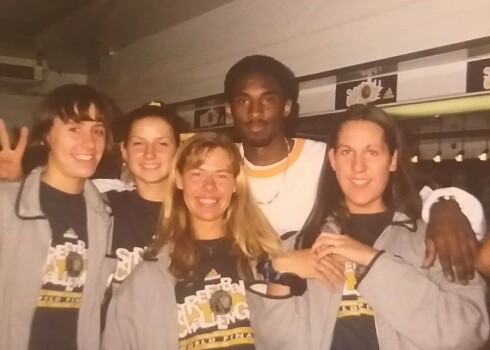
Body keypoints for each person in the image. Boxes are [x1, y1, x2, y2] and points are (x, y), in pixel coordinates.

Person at [224, 54, 485, 285]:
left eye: (267, 99)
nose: (255, 112)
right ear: (229, 109)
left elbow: (412, 191)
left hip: (319, 303)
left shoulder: (324, 158)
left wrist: (446, 209)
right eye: (243, 101)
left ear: (287, 107)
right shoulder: (219, 165)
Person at [251, 104, 489, 350]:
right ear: (333, 160)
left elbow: (466, 335)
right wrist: (278, 270)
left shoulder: (434, 240)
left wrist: (371, 259)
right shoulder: (301, 245)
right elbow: (276, 345)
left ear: (393, 160)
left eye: (372, 152)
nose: (358, 167)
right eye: (346, 152)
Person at [102, 132, 281, 349]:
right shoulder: (148, 277)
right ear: (179, 179)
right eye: (197, 174)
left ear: (235, 184)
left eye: (221, 175)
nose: (209, 187)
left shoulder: (267, 260)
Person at [0, 84, 116, 350]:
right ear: (46, 135)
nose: (89, 143)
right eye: (74, 128)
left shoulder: (103, 215)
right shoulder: (7, 205)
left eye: (97, 131)